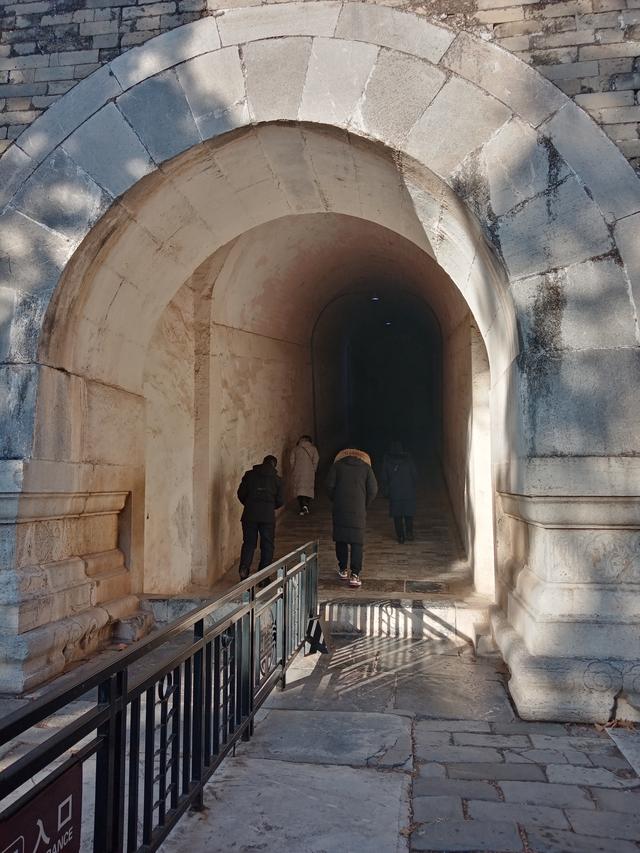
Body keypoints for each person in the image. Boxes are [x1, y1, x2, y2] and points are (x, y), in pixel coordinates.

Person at [326, 447, 378, 588]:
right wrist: (363, 503)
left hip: (340, 510)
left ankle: (343, 569)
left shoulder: (337, 467)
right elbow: (373, 490)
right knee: (357, 543)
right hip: (358, 512)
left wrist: (336, 500)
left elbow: (329, 486)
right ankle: (355, 574)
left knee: (341, 540)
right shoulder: (366, 468)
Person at [237, 455, 284, 580]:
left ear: (262, 462)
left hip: (249, 514)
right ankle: (264, 576)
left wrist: (249, 504)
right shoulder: (277, 480)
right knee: (267, 545)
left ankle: (244, 569)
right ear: (274, 465)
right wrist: (270, 507)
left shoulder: (249, 475)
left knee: (249, 543)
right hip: (267, 516)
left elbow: (241, 494)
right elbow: (280, 500)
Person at [381, 441, 418, 544]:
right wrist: (412, 486)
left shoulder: (387, 461)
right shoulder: (408, 460)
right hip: (408, 492)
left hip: (394, 492)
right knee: (408, 514)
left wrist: (386, 489)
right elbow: (414, 475)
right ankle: (409, 533)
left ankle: (400, 536)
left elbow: (384, 477)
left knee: (397, 516)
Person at [289, 434, 320, 515]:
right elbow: (316, 459)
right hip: (309, 471)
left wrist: (294, 469)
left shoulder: (295, 449)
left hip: (298, 471)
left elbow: (291, 460)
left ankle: (303, 506)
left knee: (299, 489)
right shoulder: (313, 449)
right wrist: (313, 469)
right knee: (308, 489)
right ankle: (306, 505)